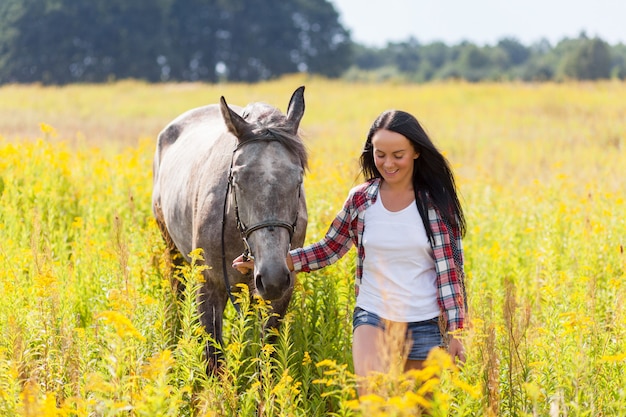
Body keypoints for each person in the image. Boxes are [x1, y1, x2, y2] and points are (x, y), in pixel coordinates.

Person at [233, 109, 467, 393]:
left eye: (398, 155)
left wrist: (455, 332)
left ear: (416, 152)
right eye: (380, 154)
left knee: (418, 411)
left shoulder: (435, 205)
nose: (388, 164)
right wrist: (274, 262)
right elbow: (329, 248)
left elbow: (451, 272)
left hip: (424, 322)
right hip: (373, 315)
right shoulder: (362, 199)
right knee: (372, 402)